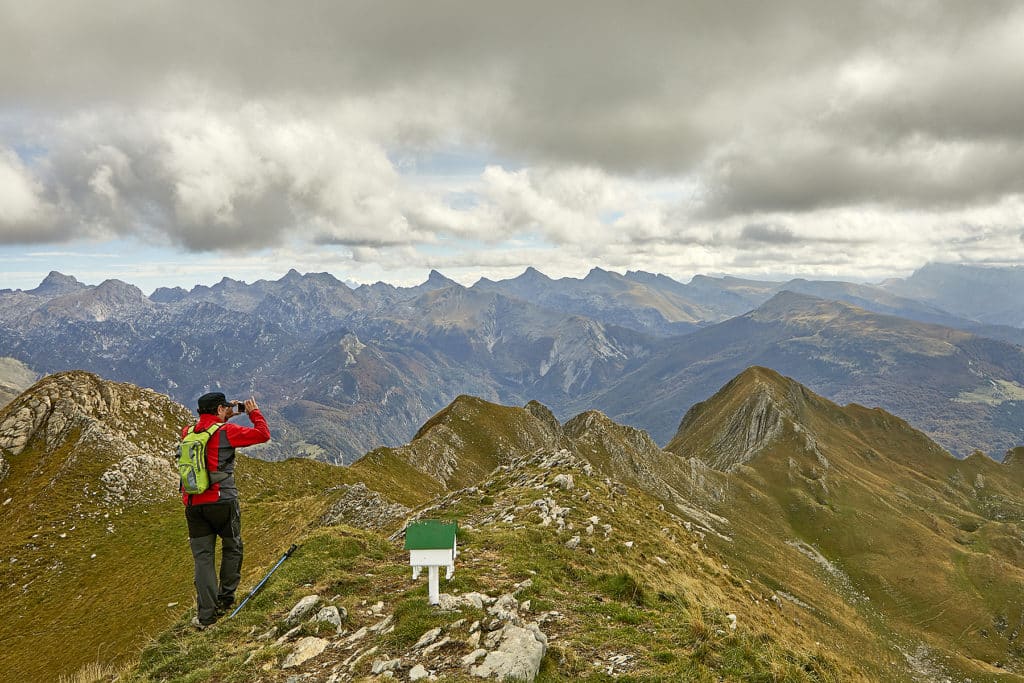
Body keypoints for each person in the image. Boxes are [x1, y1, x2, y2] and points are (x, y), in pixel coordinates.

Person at [182, 392, 270, 629]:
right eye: (225, 408)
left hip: (193, 504)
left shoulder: (188, 433)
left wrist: (224, 416)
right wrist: (253, 413)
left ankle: (206, 616)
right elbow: (263, 434)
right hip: (222, 501)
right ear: (220, 409)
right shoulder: (226, 432)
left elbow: (211, 434)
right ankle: (226, 598)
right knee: (232, 546)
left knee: (203, 560)